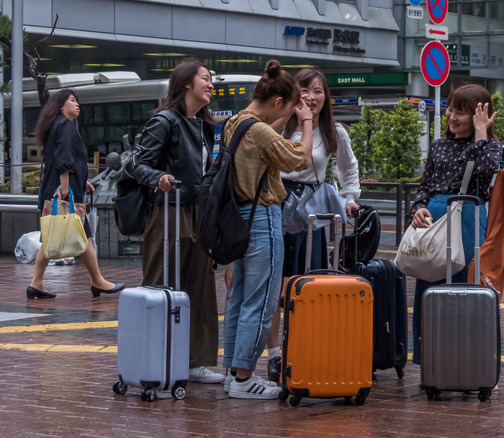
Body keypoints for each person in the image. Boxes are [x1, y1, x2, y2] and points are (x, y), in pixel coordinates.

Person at [221, 60, 313, 399]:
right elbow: (297, 159)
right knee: (260, 302)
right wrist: (306, 122)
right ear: (278, 103)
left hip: (240, 219)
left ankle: (233, 373)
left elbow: (268, 137)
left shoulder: (236, 122)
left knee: (240, 298)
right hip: (261, 217)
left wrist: (288, 114)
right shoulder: (259, 131)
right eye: (288, 106)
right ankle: (245, 378)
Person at [264, 68, 361, 382]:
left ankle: (302, 348)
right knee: (276, 286)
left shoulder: (335, 131)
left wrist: (349, 198)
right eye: (305, 89)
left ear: (326, 96)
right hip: (277, 203)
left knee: (308, 284)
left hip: (312, 213)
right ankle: (275, 355)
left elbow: (349, 169)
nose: (311, 96)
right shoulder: (279, 126)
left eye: (318, 91)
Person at [133, 58, 223, 384]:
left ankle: (196, 361)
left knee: (200, 287)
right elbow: (138, 165)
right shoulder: (164, 121)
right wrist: (160, 178)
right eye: (205, 78)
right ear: (186, 83)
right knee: (160, 284)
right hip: (168, 209)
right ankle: (152, 359)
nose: (211, 84)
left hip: (198, 211)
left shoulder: (205, 126)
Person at [408, 83, 502, 365]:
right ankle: (432, 359)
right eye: (450, 109)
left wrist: (481, 133)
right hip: (435, 217)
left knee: (468, 283)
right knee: (431, 284)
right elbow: (425, 185)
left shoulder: (491, 147)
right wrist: (418, 208)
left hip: (469, 219)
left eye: (461, 112)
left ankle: (470, 360)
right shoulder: (438, 146)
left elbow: (484, 171)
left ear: (479, 115)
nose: (452, 117)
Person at [26, 90, 126, 300]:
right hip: (62, 191)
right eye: (72, 100)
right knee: (84, 236)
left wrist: (82, 181)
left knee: (51, 236)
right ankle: (98, 281)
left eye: (77, 101)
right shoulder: (65, 125)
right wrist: (65, 185)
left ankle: (36, 283)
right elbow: (63, 156)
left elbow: (62, 159)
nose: (77, 104)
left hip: (58, 189)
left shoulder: (57, 125)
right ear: (60, 105)